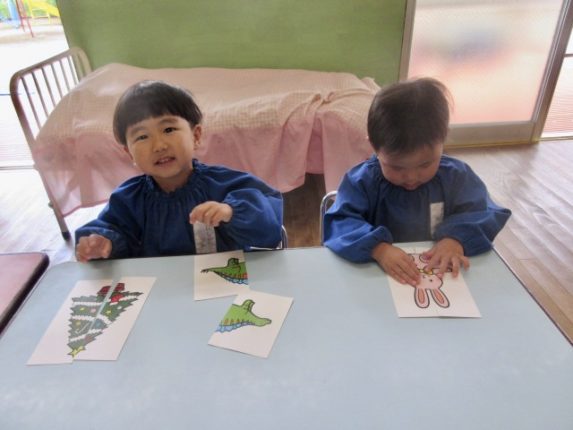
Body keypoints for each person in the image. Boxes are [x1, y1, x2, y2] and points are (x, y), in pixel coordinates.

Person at [323, 77, 511, 286]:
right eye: (397, 167)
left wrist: (456, 239)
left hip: (442, 276)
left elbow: (482, 212)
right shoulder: (361, 182)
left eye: (425, 164)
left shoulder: (457, 177)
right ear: (374, 147)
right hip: (374, 278)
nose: (411, 178)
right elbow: (340, 222)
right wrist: (378, 248)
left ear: (442, 140)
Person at [75, 80, 283, 262]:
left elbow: (271, 223)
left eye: (168, 129)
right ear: (129, 153)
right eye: (142, 137)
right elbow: (111, 229)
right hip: (159, 288)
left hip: (223, 283)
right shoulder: (128, 199)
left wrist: (231, 212)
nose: (159, 146)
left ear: (196, 136)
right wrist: (102, 243)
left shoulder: (223, 183)